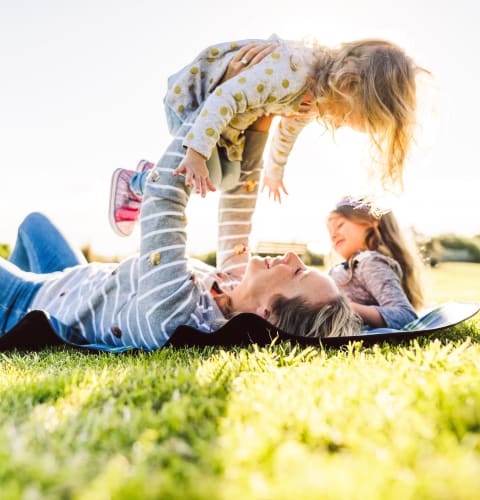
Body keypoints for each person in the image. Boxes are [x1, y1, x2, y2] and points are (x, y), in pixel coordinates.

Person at [0, 117, 362, 353]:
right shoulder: (231, 285)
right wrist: (261, 125)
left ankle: (12, 330)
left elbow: (163, 199)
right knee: (35, 224)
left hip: (28, 301)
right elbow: (240, 198)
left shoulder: (176, 316)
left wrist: (209, 114)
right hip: (73, 285)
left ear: (267, 314)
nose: (294, 258)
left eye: (298, 272)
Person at [109, 34, 426, 236]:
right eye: (361, 117)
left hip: (227, 122)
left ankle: (152, 177)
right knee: (208, 176)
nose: (354, 126)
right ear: (351, 85)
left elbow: (288, 129)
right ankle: (136, 182)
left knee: (230, 178)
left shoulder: (316, 97)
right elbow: (225, 97)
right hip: (195, 99)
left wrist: (275, 172)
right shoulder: (291, 74)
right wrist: (194, 153)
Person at [326, 196, 424, 329]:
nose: (333, 235)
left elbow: (405, 316)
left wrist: (348, 308)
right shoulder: (348, 267)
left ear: (371, 220)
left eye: (340, 225)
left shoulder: (370, 263)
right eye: (330, 231)